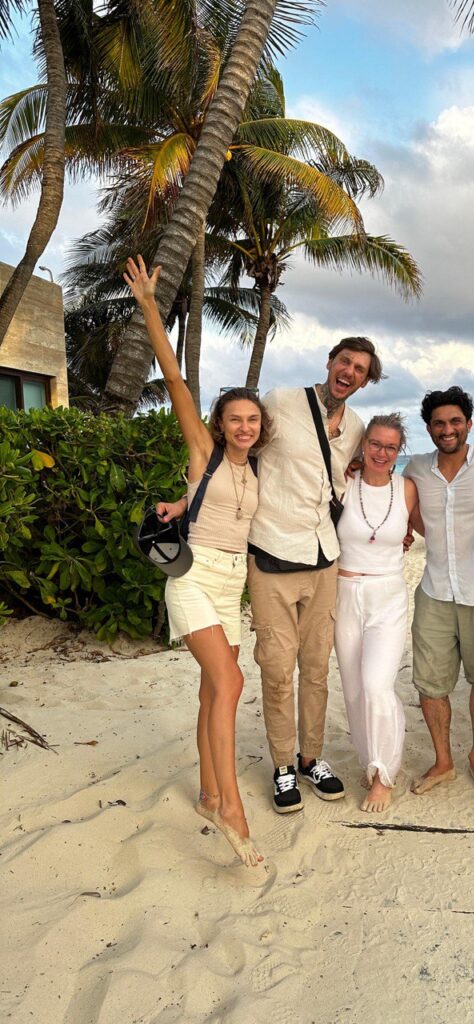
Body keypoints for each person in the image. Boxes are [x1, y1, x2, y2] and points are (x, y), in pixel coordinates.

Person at [163, 339, 384, 814]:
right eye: (344, 361)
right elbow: (237, 452)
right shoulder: (282, 401)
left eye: (360, 369)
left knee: (317, 671)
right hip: (271, 557)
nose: (349, 372)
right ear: (329, 362)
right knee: (277, 669)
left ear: (366, 380)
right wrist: (188, 500)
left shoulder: (358, 426)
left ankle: (311, 758)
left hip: (325, 557)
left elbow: (344, 481)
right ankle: (283, 764)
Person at [124, 256, 269, 869]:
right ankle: (232, 807)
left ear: (261, 428)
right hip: (191, 577)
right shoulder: (203, 452)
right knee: (232, 684)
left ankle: (210, 794)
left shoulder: (258, 467)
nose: (243, 425)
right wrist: (153, 307)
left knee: (216, 688)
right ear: (219, 424)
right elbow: (177, 382)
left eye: (252, 419)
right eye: (234, 417)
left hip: (233, 579)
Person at [404, 386, 474, 797]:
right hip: (433, 590)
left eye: (455, 421)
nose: (447, 429)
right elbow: (391, 497)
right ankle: (443, 761)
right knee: (430, 685)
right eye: (438, 423)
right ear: (429, 428)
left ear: (469, 423)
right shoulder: (415, 467)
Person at [334, 413, 420, 813]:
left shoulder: (407, 490)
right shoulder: (342, 483)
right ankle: (369, 760)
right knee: (353, 690)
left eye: (390, 447)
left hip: (388, 594)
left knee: (375, 685)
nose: (381, 453)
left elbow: (431, 530)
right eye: (375, 444)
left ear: (398, 451)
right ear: (363, 445)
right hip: (344, 592)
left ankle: (384, 773)